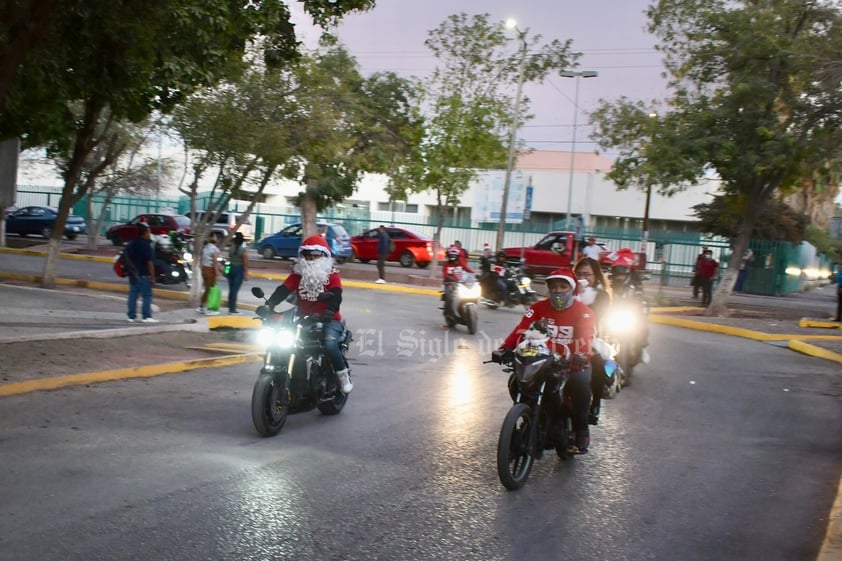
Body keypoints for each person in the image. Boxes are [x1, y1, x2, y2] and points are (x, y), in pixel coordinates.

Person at [497, 268, 595, 454]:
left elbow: (586, 339)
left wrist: (581, 355)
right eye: (553, 286)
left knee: (581, 384)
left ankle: (581, 430)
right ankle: (530, 416)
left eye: (563, 286)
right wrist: (504, 349)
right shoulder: (537, 308)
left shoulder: (584, 312)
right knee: (516, 381)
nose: (558, 290)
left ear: (572, 289)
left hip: (571, 363)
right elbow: (521, 330)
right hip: (541, 360)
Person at [264, 235, 353, 394]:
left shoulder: (331, 275)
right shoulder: (298, 275)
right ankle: (290, 382)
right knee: (283, 343)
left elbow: (336, 295)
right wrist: (269, 304)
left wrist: (330, 310)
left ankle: (342, 376)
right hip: (304, 319)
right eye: (307, 254)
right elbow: (283, 290)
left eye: (315, 254)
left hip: (329, 320)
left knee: (330, 344)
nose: (311, 258)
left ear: (324, 256)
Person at [574, 257, 611, 425]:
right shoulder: (566, 290)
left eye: (587, 274)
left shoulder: (601, 295)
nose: (583, 277)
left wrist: (581, 298)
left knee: (598, 362)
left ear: (595, 276)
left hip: (591, 338)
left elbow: (594, 316)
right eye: (579, 274)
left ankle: (595, 404)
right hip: (564, 336)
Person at [125, 223, 158, 323]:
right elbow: (150, 262)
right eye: (149, 232)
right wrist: (152, 276)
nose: (150, 234)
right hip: (144, 274)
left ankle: (131, 316)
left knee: (133, 295)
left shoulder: (131, 244)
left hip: (133, 274)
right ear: (145, 233)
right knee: (147, 296)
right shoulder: (146, 246)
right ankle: (146, 316)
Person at [442, 246, 474, 320]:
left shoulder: (460, 263)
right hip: (449, 284)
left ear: (457, 256)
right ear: (448, 255)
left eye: (454, 255)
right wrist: (448, 278)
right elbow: (445, 274)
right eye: (451, 255)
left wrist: (474, 274)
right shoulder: (446, 265)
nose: (453, 256)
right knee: (450, 296)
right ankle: (447, 312)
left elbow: (467, 269)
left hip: (460, 283)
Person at [197, 233, 222, 315]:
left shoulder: (205, 247)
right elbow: (215, 261)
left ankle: (201, 306)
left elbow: (201, 258)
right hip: (210, 270)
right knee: (210, 289)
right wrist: (217, 271)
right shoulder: (215, 249)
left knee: (207, 288)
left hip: (204, 269)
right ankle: (207, 308)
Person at [227, 231, 249, 314]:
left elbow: (229, 258)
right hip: (239, 269)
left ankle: (230, 308)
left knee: (231, 289)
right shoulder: (242, 250)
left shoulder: (231, 248)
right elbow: (245, 262)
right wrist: (246, 273)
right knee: (235, 290)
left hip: (231, 268)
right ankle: (233, 309)